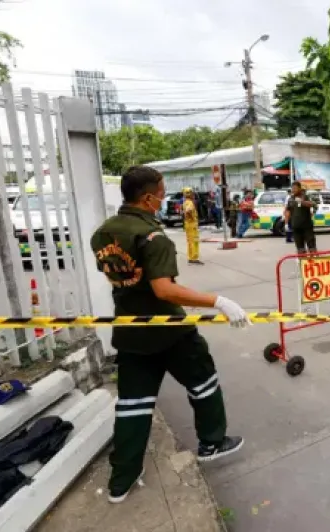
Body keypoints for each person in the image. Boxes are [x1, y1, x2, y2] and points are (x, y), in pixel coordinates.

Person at [89, 166, 248, 504]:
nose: (164, 200)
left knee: (133, 405)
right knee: (203, 381)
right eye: (161, 193)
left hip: (130, 330)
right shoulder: (153, 236)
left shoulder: (103, 233)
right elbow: (164, 289)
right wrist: (217, 301)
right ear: (147, 197)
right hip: (170, 331)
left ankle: (121, 481)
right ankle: (212, 442)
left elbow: (122, 278)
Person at [285, 181, 317, 254]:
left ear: (299, 188)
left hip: (307, 227)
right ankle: (302, 262)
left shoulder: (305, 196)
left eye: (295, 188)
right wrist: (286, 223)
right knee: (300, 248)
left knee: (311, 247)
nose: (293, 190)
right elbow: (288, 211)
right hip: (296, 227)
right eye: (292, 188)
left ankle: (314, 261)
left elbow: (314, 204)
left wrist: (302, 202)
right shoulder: (291, 199)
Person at [181, 188, 202, 265]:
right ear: (189, 194)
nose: (193, 195)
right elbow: (188, 211)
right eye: (192, 193)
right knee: (194, 241)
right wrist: (192, 218)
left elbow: (185, 211)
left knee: (190, 241)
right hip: (192, 224)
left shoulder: (185, 202)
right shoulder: (190, 203)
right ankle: (194, 258)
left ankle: (190, 257)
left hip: (188, 224)